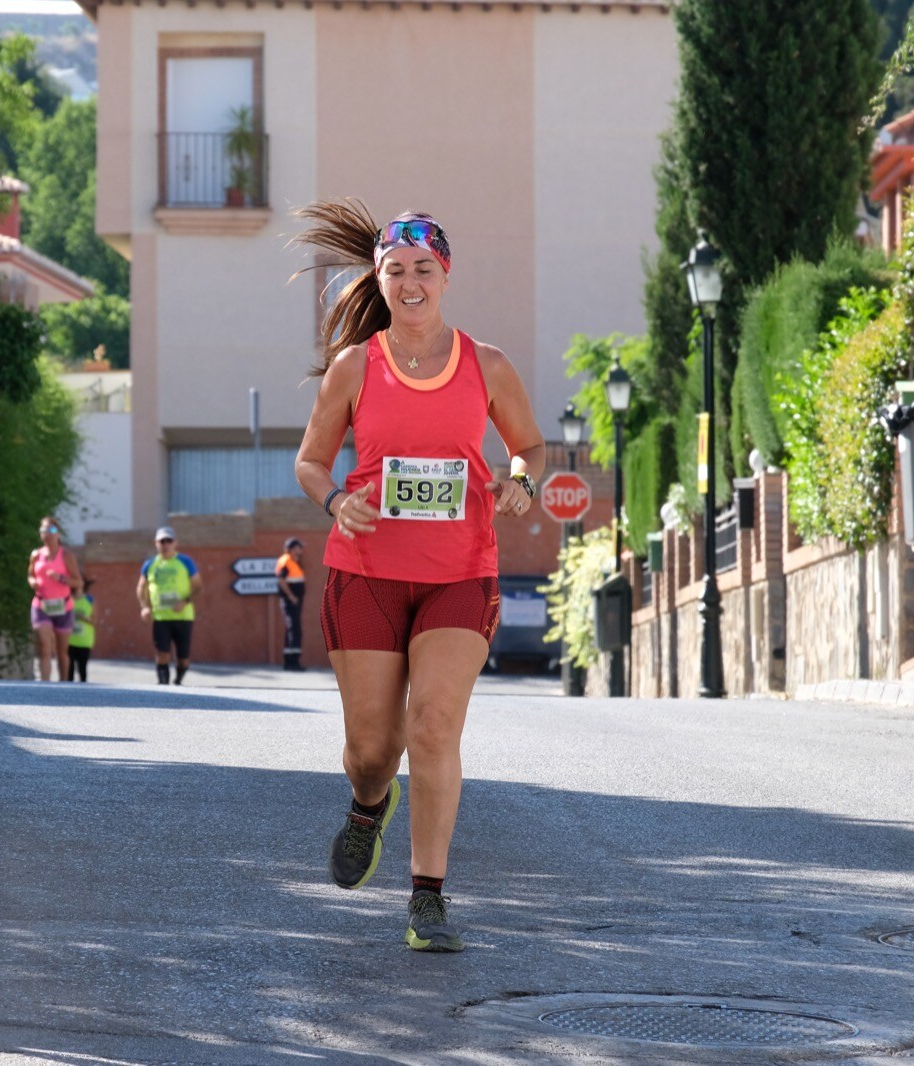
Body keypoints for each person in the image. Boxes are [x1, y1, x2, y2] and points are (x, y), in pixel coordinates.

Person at [291, 202, 546, 953]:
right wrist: (337, 500)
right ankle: (369, 806)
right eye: (395, 270)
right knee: (373, 751)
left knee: (433, 728)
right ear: (380, 277)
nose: (409, 282)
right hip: (365, 573)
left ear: (445, 275)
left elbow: (530, 445)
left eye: (422, 270)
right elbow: (309, 460)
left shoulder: (486, 365)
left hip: (459, 576)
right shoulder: (354, 368)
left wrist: (521, 483)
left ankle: (427, 897)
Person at [137, 526, 202, 685]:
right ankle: (163, 688)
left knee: (183, 659)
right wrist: (144, 606)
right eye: (162, 541)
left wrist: (185, 601)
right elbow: (141, 587)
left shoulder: (185, 562)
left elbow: (198, 586)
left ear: (175, 543)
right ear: (156, 543)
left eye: (169, 541)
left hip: (183, 616)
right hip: (161, 617)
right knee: (162, 654)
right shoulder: (150, 564)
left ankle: (178, 680)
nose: (165, 544)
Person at [27, 516, 84, 681]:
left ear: (58, 534)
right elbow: (30, 575)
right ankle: (45, 686)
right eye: (43, 530)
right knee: (45, 647)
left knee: (61, 651)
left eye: (51, 530)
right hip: (41, 604)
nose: (47, 534)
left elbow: (78, 581)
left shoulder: (66, 556)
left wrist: (60, 578)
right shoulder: (36, 555)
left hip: (63, 606)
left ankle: (63, 684)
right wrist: (33, 583)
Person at [275, 537, 307, 672]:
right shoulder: (286, 560)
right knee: (293, 629)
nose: (301, 550)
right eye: (299, 547)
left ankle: (294, 660)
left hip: (295, 602)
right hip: (290, 602)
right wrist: (291, 596)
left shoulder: (293, 561)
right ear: (293, 548)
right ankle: (291, 662)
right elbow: (281, 581)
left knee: (295, 629)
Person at [67, 576, 97, 682]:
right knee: (69, 670)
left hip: (85, 641)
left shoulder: (90, 600)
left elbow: (94, 621)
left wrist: (83, 618)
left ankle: (83, 693)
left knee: (82, 669)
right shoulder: (67, 599)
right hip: (69, 640)